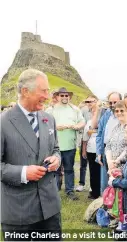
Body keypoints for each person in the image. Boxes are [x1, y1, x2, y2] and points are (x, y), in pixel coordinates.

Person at [1, 69, 61, 241]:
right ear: (25, 91)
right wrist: (23, 173)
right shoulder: (3, 122)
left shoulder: (49, 119)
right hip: (18, 211)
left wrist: (56, 158)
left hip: (50, 208)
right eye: (44, 91)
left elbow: (55, 148)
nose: (48, 96)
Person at [46, 87, 85, 200]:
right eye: (62, 95)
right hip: (54, 146)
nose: (64, 97)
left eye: (66, 95)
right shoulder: (51, 110)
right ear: (57, 97)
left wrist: (76, 126)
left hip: (69, 145)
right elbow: (44, 123)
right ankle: (54, 191)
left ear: (69, 97)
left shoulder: (75, 109)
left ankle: (69, 191)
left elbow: (82, 122)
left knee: (69, 169)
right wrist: (55, 127)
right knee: (54, 169)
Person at [96, 92, 122, 194]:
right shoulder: (106, 114)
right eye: (110, 102)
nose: (112, 105)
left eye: (115, 102)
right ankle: (104, 205)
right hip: (105, 151)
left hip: (120, 152)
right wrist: (98, 152)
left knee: (117, 181)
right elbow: (99, 134)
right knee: (105, 183)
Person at [76, 95, 98, 192]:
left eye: (91, 101)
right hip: (85, 139)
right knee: (83, 163)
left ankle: (93, 185)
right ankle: (81, 183)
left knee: (94, 166)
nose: (89, 103)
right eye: (87, 101)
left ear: (96, 101)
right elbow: (81, 124)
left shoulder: (100, 112)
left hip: (95, 142)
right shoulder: (83, 111)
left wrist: (92, 131)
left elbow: (99, 129)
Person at [82, 103, 103, 199]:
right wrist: (83, 150)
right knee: (92, 172)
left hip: (101, 150)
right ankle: (94, 192)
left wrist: (93, 131)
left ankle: (101, 191)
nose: (95, 112)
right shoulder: (89, 122)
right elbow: (85, 138)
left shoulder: (103, 120)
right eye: (93, 111)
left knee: (101, 172)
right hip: (90, 149)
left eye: (97, 110)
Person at [105, 101, 127, 171]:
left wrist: (116, 162)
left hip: (125, 168)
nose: (119, 113)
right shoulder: (115, 128)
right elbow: (108, 146)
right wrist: (109, 161)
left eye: (122, 110)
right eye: (117, 111)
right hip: (112, 167)